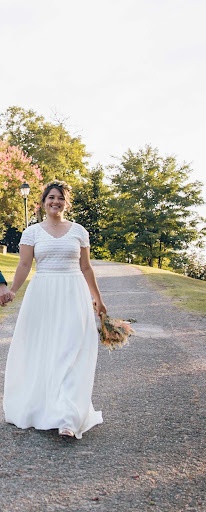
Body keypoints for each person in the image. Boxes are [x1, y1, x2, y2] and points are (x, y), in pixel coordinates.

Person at [3, 180, 106, 439]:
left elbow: (86, 268)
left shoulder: (79, 231)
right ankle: (44, 406)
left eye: (60, 198)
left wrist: (98, 298)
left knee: (70, 351)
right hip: (42, 295)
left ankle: (68, 417)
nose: (55, 201)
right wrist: (13, 289)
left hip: (73, 294)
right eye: (51, 197)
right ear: (43, 202)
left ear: (66, 203)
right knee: (45, 350)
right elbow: (24, 266)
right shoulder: (32, 232)